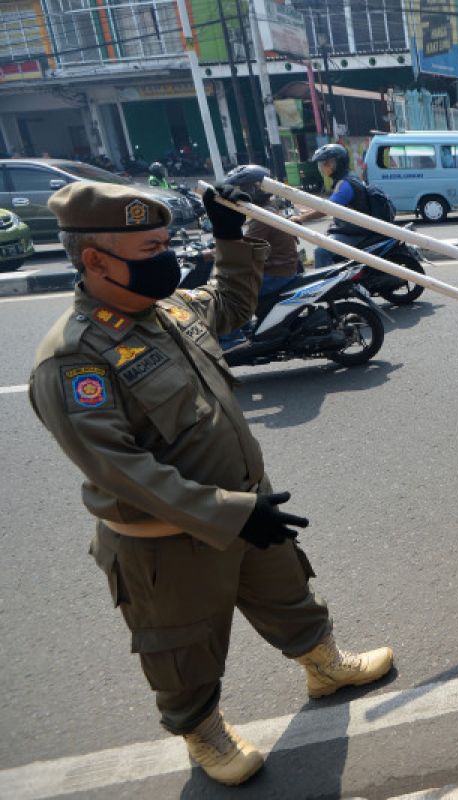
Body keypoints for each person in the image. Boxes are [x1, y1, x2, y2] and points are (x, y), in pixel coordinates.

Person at [28, 182, 393, 787]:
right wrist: (229, 513)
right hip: (166, 540)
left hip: (245, 509)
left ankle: (324, 666)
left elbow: (232, 302)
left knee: (287, 592)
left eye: (167, 243)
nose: (166, 258)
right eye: (151, 247)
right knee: (183, 647)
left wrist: (229, 238)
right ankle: (203, 732)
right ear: (95, 260)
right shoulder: (73, 359)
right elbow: (121, 470)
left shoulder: (167, 310)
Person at [294, 143, 376, 268]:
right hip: (351, 229)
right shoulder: (347, 179)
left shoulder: (345, 184)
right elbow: (326, 204)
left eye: (327, 163)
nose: (323, 167)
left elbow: (327, 209)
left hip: (356, 233)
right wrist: (302, 213)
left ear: (340, 163)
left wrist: (302, 218)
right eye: (322, 164)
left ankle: (325, 287)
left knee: (320, 251)